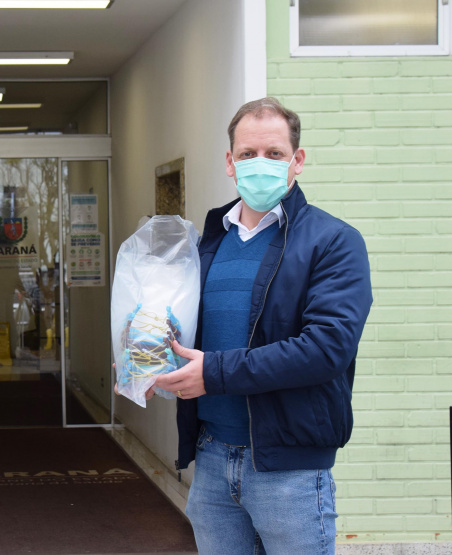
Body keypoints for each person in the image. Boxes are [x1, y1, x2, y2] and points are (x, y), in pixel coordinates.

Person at [153, 97, 372, 554]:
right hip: (212, 461)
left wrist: (212, 373)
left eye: (274, 154)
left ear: (298, 160)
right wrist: (144, 362)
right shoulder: (208, 243)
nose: (260, 164)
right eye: (248, 154)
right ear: (230, 163)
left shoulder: (333, 242)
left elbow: (327, 348)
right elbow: (186, 332)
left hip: (288, 468)